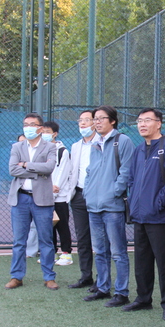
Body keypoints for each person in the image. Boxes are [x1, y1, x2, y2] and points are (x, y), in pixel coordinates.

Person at [123, 108, 165, 321]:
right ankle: (143, 298)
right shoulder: (139, 149)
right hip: (139, 215)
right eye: (139, 121)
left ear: (159, 123)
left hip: (159, 216)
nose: (142, 124)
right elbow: (131, 178)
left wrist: (158, 203)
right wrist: (133, 201)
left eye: (147, 120)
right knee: (142, 261)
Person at [83, 105, 135, 308]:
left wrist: (114, 192)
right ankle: (103, 288)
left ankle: (122, 292)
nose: (96, 122)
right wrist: (88, 193)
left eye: (101, 118)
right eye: (94, 118)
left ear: (112, 121)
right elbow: (90, 172)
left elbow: (126, 171)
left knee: (118, 252)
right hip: (93, 206)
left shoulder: (123, 141)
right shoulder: (95, 143)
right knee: (100, 250)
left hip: (112, 207)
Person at [6, 113, 58, 290]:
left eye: (32, 124)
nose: (28, 127)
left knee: (46, 240)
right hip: (20, 198)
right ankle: (16, 276)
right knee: (19, 241)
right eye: (26, 124)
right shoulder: (17, 147)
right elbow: (13, 170)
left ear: (40, 128)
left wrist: (26, 164)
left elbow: (49, 168)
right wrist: (37, 172)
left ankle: (49, 277)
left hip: (42, 200)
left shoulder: (50, 147)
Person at [67, 111, 99, 290]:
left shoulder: (103, 143)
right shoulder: (75, 146)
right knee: (82, 238)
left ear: (95, 122)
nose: (83, 123)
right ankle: (86, 276)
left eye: (87, 120)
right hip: (78, 196)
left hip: (98, 195)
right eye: (80, 120)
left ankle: (102, 279)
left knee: (100, 239)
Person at [41, 121, 73, 266]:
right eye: (43, 132)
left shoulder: (62, 151)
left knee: (62, 225)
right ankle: (51, 253)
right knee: (49, 226)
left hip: (60, 197)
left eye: (47, 132)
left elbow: (63, 172)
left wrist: (55, 188)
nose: (45, 135)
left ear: (55, 134)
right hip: (45, 195)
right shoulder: (41, 150)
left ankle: (66, 254)